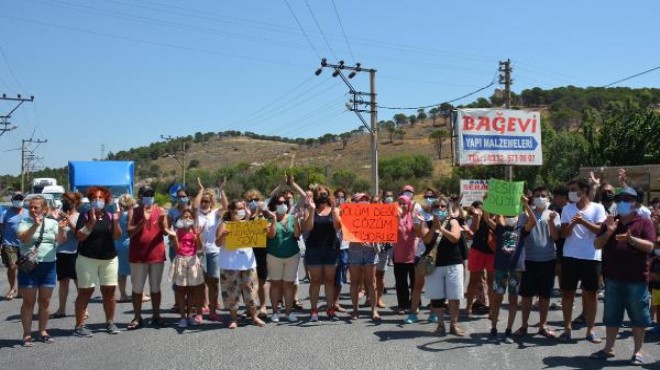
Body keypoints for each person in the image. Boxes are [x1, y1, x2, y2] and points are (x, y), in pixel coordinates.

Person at [590, 187, 656, 365]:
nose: (622, 203)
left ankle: (638, 351)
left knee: (638, 316)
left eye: (627, 199)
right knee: (611, 315)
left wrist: (631, 240)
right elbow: (597, 244)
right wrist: (609, 231)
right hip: (612, 278)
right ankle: (608, 349)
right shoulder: (609, 221)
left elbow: (650, 247)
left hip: (637, 279)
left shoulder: (644, 222)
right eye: (619, 200)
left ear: (635, 203)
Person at [559, 178, 607, 343]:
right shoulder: (567, 208)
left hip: (591, 257)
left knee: (591, 294)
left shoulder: (598, 208)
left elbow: (600, 230)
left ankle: (591, 330)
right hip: (570, 256)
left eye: (574, 189)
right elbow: (563, 234)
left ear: (584, 190)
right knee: (567, 293)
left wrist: (583, 221)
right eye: (570, 190)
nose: (571, 193)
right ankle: (567, 329)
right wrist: (572, 225)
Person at [17, 195, 67, 347]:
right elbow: (24, 239)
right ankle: (27, 334)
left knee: (45, 302)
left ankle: (43, 331)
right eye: (30, 207)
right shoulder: (24, 222)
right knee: (28, 301)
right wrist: (34, 226)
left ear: (44, 210)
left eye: (35, 207)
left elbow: (61, 240)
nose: (32, 210)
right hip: (30, 267)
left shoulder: (52, 223)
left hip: (48, 266)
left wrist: (60, 229)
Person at [73, 186, 122, 338]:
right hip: (87, 259)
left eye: (101, 198)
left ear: (106, 200)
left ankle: (110, 322)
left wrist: (116, 222)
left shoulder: (109, 215)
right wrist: (91, 223)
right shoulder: (85, 215)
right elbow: (80, 237)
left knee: (109, 291)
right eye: (94, 198)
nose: (98, 200)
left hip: (109, 259)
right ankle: (80, 325)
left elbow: (116, 236)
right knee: (86, 291)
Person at [485, 196, 533, 344]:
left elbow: (533, 221)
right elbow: (486, 218)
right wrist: (487, 202)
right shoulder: (500, 228)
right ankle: (493, 328)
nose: (511, 217)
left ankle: (508, 330)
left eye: (513, 215)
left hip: (516, 269)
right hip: (500, 268)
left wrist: (526, 204)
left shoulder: (522, 229)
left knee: (513, 300)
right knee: (497, 298)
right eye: (508, 215)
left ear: (518, 216)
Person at [516, 187, 560, 339]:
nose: (540, 198)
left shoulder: (554, 214)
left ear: (548, 198)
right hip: (529, 260)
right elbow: (524, 231)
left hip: (548, 260)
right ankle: (524, 325)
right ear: (531, 198)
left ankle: (543, 325)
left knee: (545, 295)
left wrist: (552, 222)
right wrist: (526, 207)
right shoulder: (524, 215)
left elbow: (555, 237)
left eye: (543, 195)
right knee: (527, 295)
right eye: (537, 196)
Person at [216, 200, 266, 328]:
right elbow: (217, 243)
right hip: (230, 265)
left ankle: (254, 317)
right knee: (232, 293)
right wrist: (223, 235)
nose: (242, 211)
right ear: (232, 211)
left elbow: (259, 237)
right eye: (239, 208)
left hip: (248, 264)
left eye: (243, 208)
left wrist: (262, 230)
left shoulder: (249, 224)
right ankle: (234, 319)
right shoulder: (225, 224)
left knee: (251, 291)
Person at [418, 197, 465, 336]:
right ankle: (440, 325)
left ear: (447, 208)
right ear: (432, 210)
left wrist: (442, 229)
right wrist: (434, 227)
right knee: (437, 296)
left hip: (453, 263)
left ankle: (454, 325)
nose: (440, 208)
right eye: (437, 206)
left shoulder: (453, 221)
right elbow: (426, 239)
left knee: (454, 296)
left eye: (443, 206)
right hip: (435, 265)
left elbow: (455, 238)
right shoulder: (427, 222)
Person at [127, 186, 168, 329]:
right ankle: (137, 317)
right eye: (145, 194)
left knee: (155, 287)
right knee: (137, 288)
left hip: (156, 254)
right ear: (140, 196)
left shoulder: (161, 210)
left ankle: (156, 315)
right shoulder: (133, 211)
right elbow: (130, 232)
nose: (148, 196)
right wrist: (142, 222)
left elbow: (165, 232)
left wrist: (162, 222)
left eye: (151, 194)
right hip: (138, 256)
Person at [303, 185, 341, 321]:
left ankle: (330, 310)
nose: (322, 196)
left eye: (325, 193)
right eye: (319, 194)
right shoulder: (309, 210)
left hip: (331, 249)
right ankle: (314, 311)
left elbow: (338, 227)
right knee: (315, 281)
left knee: (330, 281)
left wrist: (335, 211)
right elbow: (307, 227)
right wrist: (312, 210)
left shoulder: (334, 210)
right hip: (314, 249)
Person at [265, 192, 302, 323]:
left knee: (289, 284)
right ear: (274, 205)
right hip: (274, 255)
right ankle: (275, 312)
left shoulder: (292, 217)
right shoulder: (268, 219)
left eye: (284, 202)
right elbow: (271, 235)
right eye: (279, 203)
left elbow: (297, 235)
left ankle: (288, 312)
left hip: (292, 255)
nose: (283, 205)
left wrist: (297, 220)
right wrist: (274, 219)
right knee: (275, 283)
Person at [165, 208, 204, 328]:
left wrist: (198, 237)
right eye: (185, 217)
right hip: (181, 259)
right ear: (181, 219)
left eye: (189, 217)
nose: (187, 219)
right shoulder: (177, 231)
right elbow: (177, 249)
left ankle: (190, 315)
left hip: (193, 260)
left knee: (192, 289)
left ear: (193, 219)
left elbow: (199, 248)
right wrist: (174, 237)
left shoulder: (195, 230)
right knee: (181, 289)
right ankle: (182, 317)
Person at [193, 179, 225, 321]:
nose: (204, 203)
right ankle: (199, 312)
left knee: (213, 281)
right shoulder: (196, 213)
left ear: (211, 202)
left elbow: (226, 206)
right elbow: (194, 206)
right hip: (199, 252)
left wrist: (222, 189)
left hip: (214, 252)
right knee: (200, 282)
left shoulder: (216, 213)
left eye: (207, 201)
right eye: (203, 201)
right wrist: (201, 189)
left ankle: (212, 311)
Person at [347, 193, 380, 321]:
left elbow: (382, 231)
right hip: (354, 251)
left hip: (370, 251)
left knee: (371, 283)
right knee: (354, 282)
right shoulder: (348, 215)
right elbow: (345, 232)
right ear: (355, 202)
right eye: (361, 200)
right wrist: (357, 238)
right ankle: (355, 309)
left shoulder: (375, 214)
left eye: (366, 199)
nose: (364, 202)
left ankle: (374, 310)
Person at [52, 192, 82, 318]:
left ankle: (83, 309)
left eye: (68, 200)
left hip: (75, 253)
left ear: (75, 202)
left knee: (78, 282)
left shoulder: (80, 216)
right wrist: (55, 219)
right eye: (64, 200)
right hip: (61, 252)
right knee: (63, 282)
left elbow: (80, 235)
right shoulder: (58, 216)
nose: (65, 202)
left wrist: (69, 222)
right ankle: (61, 309)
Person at [465, 200, 496, 317]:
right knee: (473, 280)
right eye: (480, 208)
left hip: (492, 252)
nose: (482, 209)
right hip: (477, 250)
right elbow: (472, 231)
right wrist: (476, 216)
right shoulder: (476, 217)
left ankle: (492, 309)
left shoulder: (497, 216)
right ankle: (468, 307)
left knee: (491, 282)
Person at [244, 188, 269, 318]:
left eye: (256, 199)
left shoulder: (264, 215)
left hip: (261, 251)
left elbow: (268, 231)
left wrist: (260, 213)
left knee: (262, 280)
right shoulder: (243, 215)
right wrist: (248, 216)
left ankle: (263, 306)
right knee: (248, 281)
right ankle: (250, 308)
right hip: (247, 253)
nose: (253, 202)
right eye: (250, 200)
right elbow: (242, 230)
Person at [1, 191, 29, 300]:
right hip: (9, 243)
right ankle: (12, 288)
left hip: (24, 244)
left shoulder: (28, 213)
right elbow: (1, 228)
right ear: (12, 200)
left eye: (20, 198)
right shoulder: (5, 213)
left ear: (23, 200)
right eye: (16, 199)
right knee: (12, 266)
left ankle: (21, 289)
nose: (18, 201)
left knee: (23, 268)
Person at [393, 195, 417, 315]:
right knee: (401, 282)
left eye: (405, 203)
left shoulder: (414, 216)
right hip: (399, 255)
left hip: (413, 254)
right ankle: (402, 305)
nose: (402, 205)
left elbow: (418, 231)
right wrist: (395, 220)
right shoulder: (393, 217)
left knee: (415, 281)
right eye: (400, 203)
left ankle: (414, 303)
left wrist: (413, 217)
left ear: (409, 205)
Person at [115, 194, 136, 303]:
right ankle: (137, 294)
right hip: (129, 243)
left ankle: (123, 294)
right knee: (135, 271)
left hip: (117, 244)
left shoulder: (118, 215)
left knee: (121, 272)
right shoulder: (131, 214)